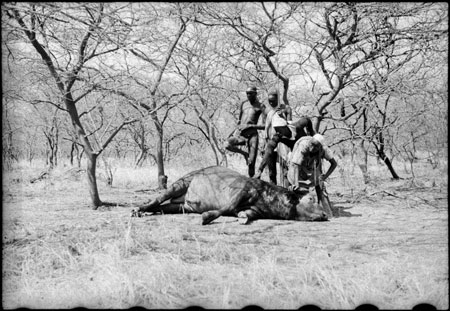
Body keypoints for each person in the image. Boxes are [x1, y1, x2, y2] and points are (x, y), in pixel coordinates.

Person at [253, 90, 315, 183]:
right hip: (284, 146)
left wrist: (311, 136)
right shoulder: (277, 135)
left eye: (280, 129)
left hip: (300, 148)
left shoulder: (297, 125)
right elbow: (269, 148)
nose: (278, 132)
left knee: (290, 171)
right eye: (277, 130)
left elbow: (307, 120)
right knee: (272, 172)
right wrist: (259, 170)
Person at [287, 133, 338, 217]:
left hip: (311, 170)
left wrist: (325, 177)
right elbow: (296, 165)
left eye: (316, 146)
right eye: (311, 144)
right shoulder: (303, 145)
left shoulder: (324, 149)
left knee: (321, 188)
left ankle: (326, 212)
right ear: (309, 142)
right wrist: (296, 183)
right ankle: (293, 211)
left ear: (320, 147)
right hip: (297, 170)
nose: (312, 148)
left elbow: (334, 164)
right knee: (296, 190)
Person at [224, 86, 267, 177]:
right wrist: (232, 132)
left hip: (252, 135)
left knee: (251, 163)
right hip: (241, 135)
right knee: (226, 144)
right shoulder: (243, 104)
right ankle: (244, 154)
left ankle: (251, 182)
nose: (248, 95)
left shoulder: (261, 106)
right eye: (247, 93)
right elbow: (239, 122)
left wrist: (250, 125)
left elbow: (264, 125)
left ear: (255, 94)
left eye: (250, 93)